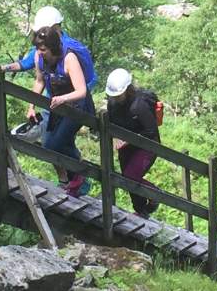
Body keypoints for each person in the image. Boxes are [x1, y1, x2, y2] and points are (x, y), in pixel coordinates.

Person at [29, 27, 93, 196]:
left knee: (55, 144)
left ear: (53, 47)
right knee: (49, 144)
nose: (39, 52)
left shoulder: (69, 59)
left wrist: (63, 99)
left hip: (78, 107)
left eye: (43, 49)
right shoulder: (39, 58)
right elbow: (39, 81)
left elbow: (81, 91)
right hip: (58, 105)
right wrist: (31, 106)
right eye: (38, 48)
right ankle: (77, 182)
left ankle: (81, 174)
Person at [105, 68, 161, 216]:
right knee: (127, 177)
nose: (116, 98)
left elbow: (151, 130)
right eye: (113, 95)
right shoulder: (112, 104)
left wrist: (128, 140)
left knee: (131, 175)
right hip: (126, 146)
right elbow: (112, 123)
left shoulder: (139, 105)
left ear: (127, 90)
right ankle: (141, 210)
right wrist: (117, 137)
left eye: (118, 95)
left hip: (147, 145)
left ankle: (154, 194)